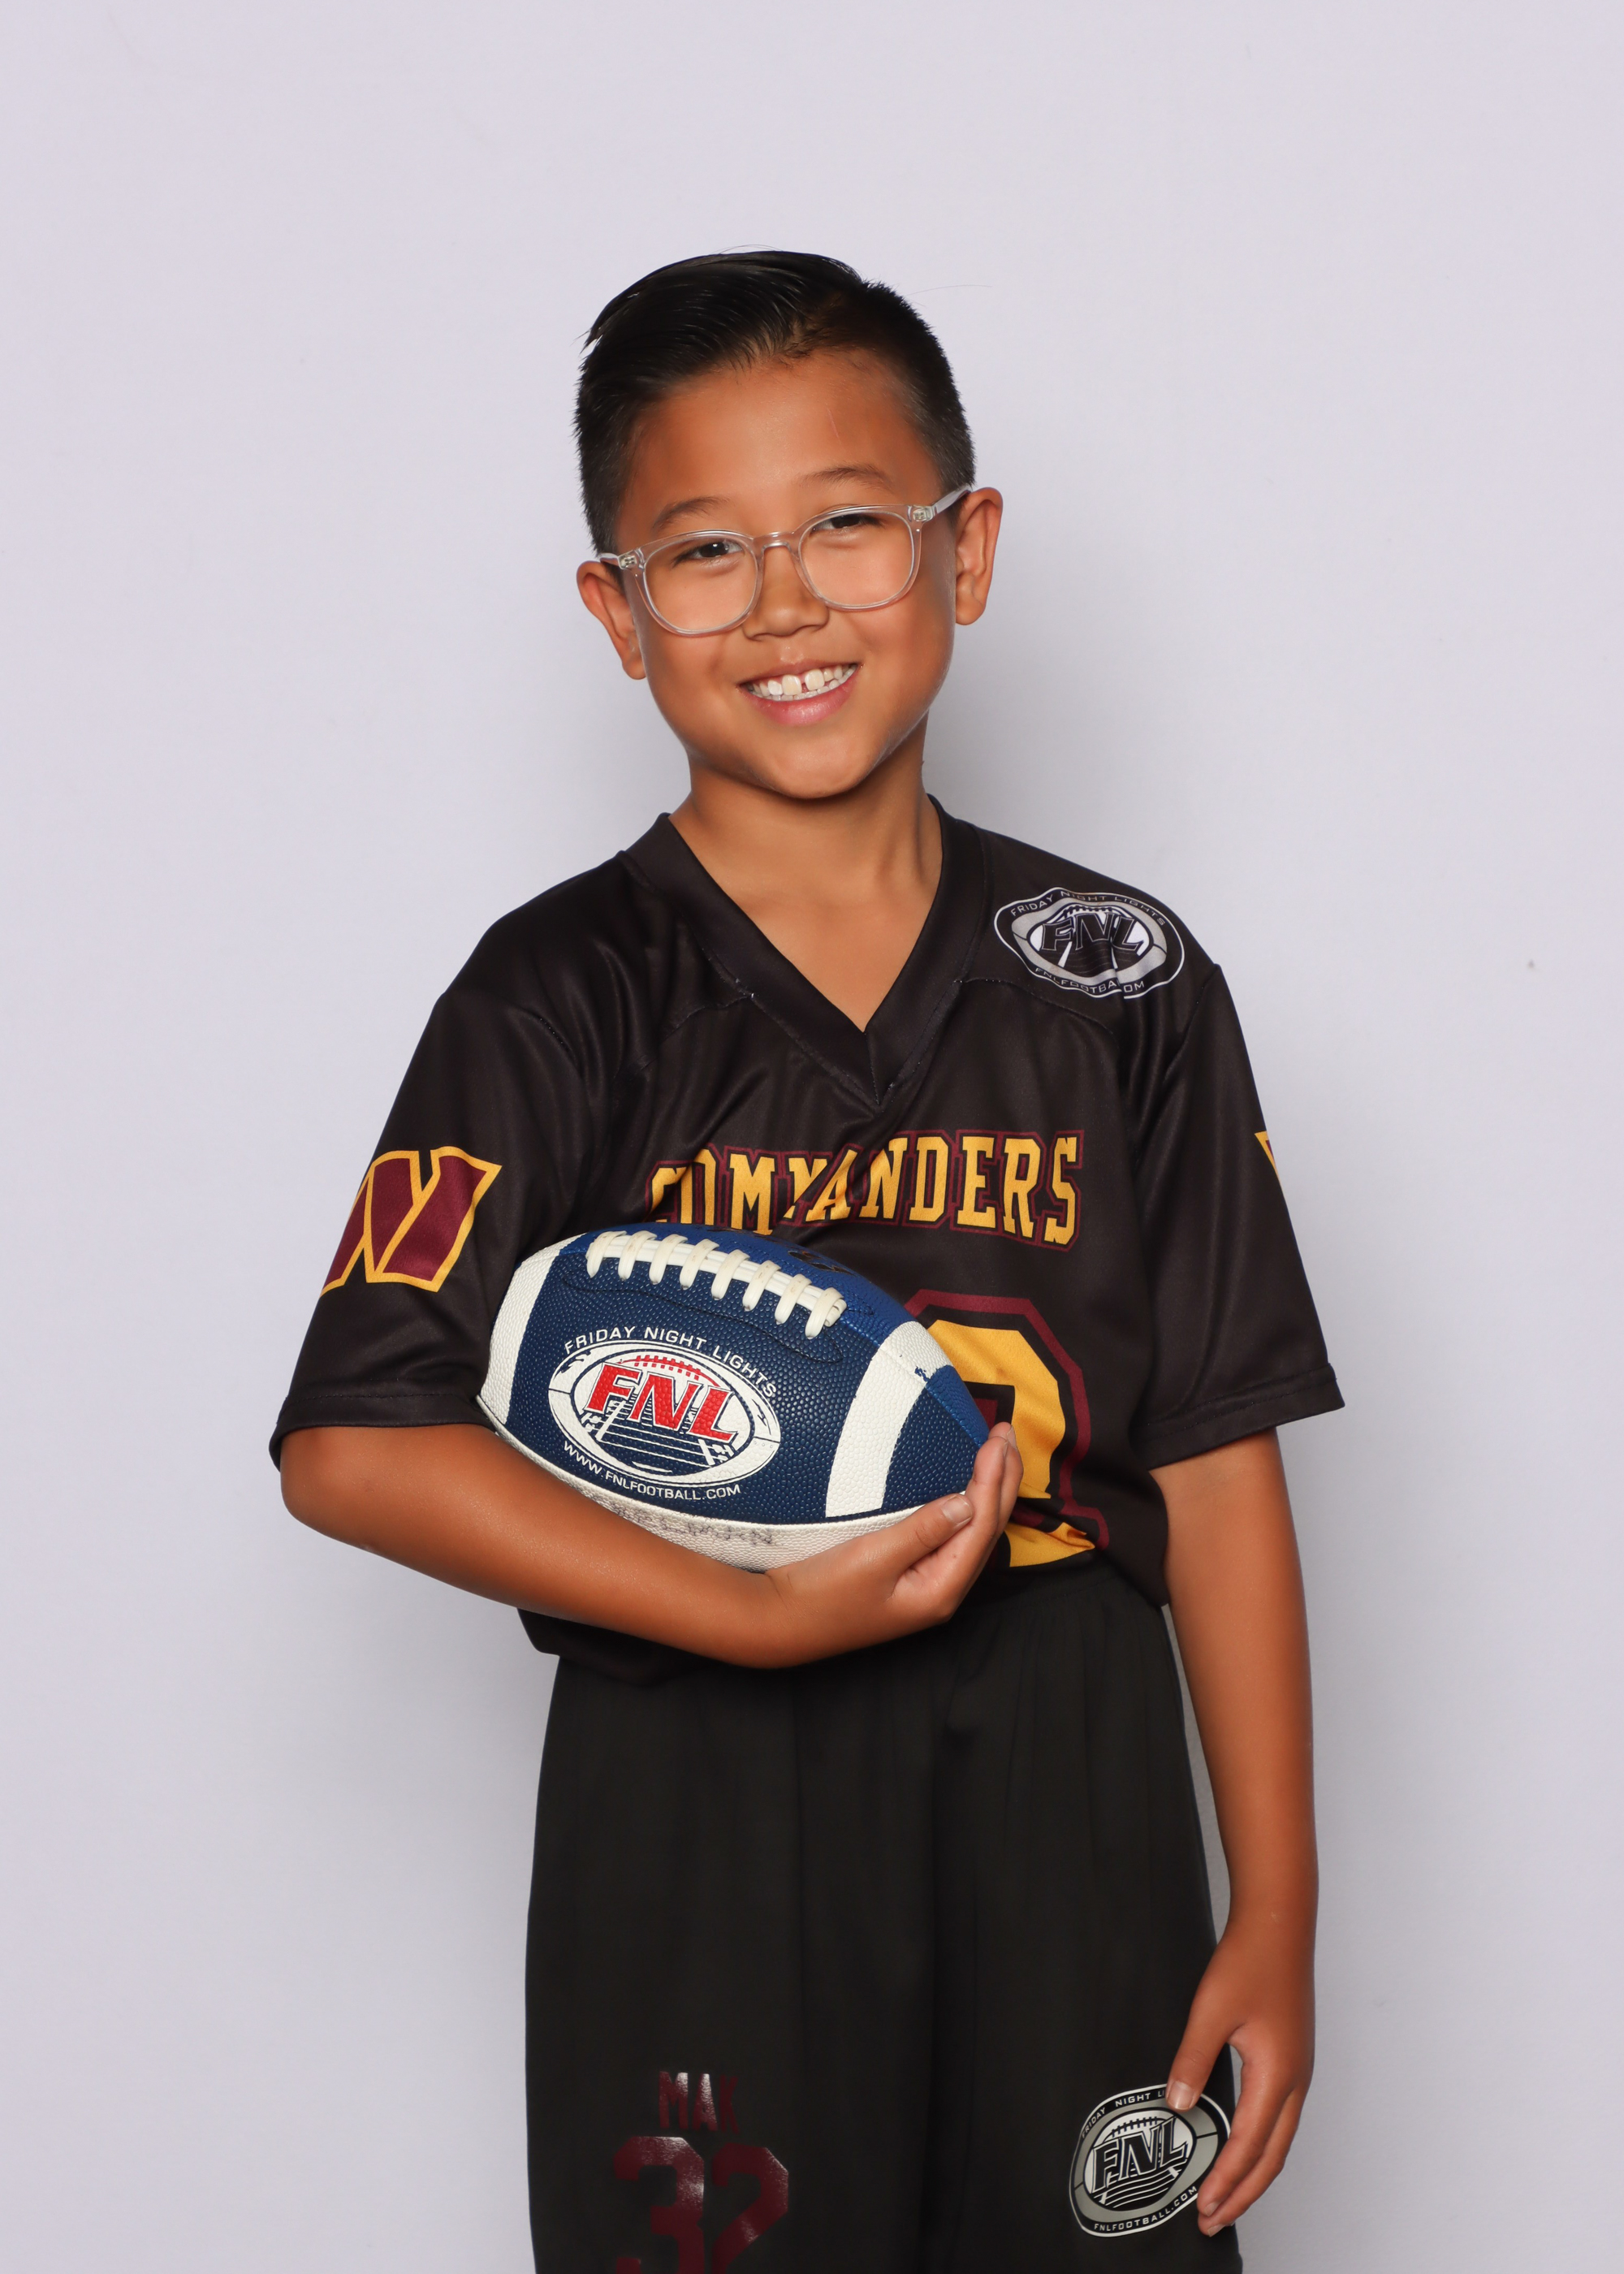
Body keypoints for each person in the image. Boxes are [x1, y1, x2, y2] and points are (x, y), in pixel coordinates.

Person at [274, 250, 1341, 2272]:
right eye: (704, 549)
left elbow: (1214, 1446)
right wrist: (745, 1612)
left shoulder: (1117, 978)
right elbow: (352, 1441)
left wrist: (1276, 1902)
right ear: (617, 611)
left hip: (1068, 1756)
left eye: (847, 521)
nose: (782, 602)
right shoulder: (560, 991)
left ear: (966, 548)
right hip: (698, 1759)